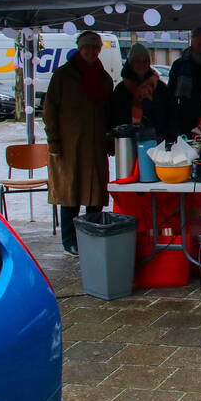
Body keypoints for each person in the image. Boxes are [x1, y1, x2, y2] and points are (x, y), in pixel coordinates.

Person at [43, 31, 113, 257]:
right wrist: (53, 140)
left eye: (95, 47)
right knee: (70, 193)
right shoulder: (63, 76)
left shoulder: (104, 78)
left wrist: (110, 140)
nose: (91, 51)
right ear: (80, 48)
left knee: (95, 193)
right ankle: (69, 241)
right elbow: (49, 110)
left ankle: (91, 235)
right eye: (87, 47)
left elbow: (108, 113)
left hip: (95, 144)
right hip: (69, 145)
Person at [107, 43, 174, 142]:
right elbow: (114, 117)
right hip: (128, 143)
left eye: (145, 61)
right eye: (137, 61)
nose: (142, 64)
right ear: (131, 63)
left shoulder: (160, 87)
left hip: (158, 141)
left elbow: (171, 114)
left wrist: (170, 137)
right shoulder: (121, 89)